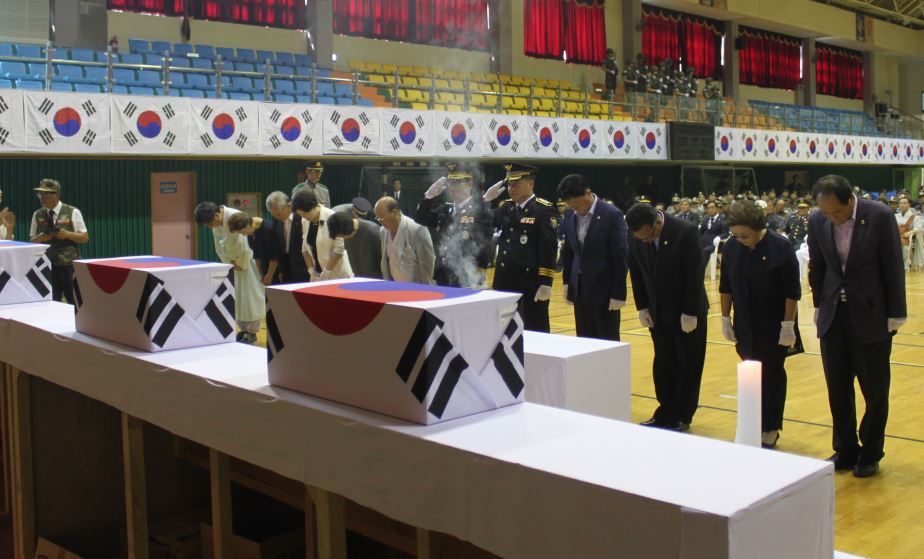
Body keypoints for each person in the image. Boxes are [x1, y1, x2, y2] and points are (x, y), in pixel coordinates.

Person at [808, 175, 906, 478]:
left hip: (871, 313)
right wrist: (819, 304)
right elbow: (817, 266)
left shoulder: (879, 215)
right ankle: (845, 449)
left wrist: (896, 312)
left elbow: (893, 264)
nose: (833, 218)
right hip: (833, 314)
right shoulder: (817, 220)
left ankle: (871, 451)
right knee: (837, 387)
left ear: (850, 199)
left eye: (837, 212)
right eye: (827, 213)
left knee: (874, 390)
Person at [719, 201, 802, 449]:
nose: (740, 240)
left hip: (774, 324)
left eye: (745, 235)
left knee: (772, 375)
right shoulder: (732, 246)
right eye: (736, 235)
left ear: (759, 228)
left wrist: (787, 325)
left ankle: (771, 427)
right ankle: (752, 423)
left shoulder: (780, 246)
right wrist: (725, 318)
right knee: (750, 375)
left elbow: (792, 291)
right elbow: (726, 285)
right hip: (745, 323)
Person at [626, 203, 708, 431]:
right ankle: (665, 411)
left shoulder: (685, 232)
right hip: (657, 312)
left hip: (685, 312)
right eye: (640, 238)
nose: (644, 241)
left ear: (657, 223)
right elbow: (636, 270)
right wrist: (642, 306)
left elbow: (694, 274)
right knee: (663, 364)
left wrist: (690, 311)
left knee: (686, 364)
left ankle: (683, 414)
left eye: (648, 237)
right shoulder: (636, 234)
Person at [483, 163, 558, 332]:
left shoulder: (542, 210)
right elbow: (484, 221)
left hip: (529, 284)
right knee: (505, 331)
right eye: (510, 184)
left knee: (533, 330)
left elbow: (548, 247)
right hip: (504, 281)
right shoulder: (507, 207)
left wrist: (546, 282)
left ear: (530, 183)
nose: (512, 188)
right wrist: (485, 201)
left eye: (516, 184)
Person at [557, 174, 628, 341]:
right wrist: (567, 282)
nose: (575, 209)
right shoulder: (569, 214)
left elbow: (620, 254)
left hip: (605, 290)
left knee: (606, 341)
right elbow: (569, 251)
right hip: (580, 290)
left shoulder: (611, 214)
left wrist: (618, 292)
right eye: (570, 205)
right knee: (584, 339)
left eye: (576, 204)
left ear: (588, 193)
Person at [194, 202, 264, 344]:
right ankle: (243, 329)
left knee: (251, 297)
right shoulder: (216, 223)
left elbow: (245, 243)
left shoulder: (234, 216)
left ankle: (252, 331)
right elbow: (218, 246)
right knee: (238, 298)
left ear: (216, 215)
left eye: (209, 223)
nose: (210, 227)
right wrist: (229, 263)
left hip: (247, 262)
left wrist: (241, 263)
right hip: (233, 264)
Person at [416, 164, 494, 288]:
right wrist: (428, 197)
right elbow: (420, 219)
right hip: (443, 275)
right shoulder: (445, 209)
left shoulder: (479, 211)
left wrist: (478, 271)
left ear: (469, 184)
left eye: (457, 183)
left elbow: (485, 245)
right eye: (450, 183)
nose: (452, 187)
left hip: (468, 275)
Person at [29, 179, 89, 304]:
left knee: (74, 301)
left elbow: (84, 237)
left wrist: (67, 234)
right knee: (51, 302)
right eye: (40, 194)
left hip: (69, 265)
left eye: (45, 194)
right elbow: (32, 240)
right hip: (47, 266)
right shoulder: (37, 214)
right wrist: (40, 238)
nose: (41, 198)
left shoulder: (73, 212)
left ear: (56, 195)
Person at [292, 189, 353, 280]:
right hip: (318, 274)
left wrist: (327, 271)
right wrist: (311, 271)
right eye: (301, 215)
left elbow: (338, 250)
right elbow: (305, 249)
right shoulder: (305, 220)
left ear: (314, 206)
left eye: (305, 213)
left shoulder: (332, 216)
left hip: (338, 274)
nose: (303, 217)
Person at [375, 196, 435, 285]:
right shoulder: (383, 231)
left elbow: (427, 264)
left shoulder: (417, 229)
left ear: (394, 213)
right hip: (395, 287)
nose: (380, 222)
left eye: (382, 218)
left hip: (417, 288)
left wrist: (426, 290)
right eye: (377, 218)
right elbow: (385, 262)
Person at [265, 191, 309, 284]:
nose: (277, 217)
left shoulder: (302, 217)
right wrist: (281, 271)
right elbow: (278, 246)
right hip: (286, 269)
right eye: (274, 215)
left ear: (288, 206)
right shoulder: (276, 220)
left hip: (304, 267)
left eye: (278, 214)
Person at [326, 210, 383, 279]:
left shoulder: (372, 231)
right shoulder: (346, 234)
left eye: (340, 236)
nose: (341, 238)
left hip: (379, 280)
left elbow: (386, 259)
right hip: (360, 280)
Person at [227, 212, 279, 286]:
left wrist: (270, 274)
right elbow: (256, 253)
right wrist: (260, 273)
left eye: (243, 232)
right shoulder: (251, 231)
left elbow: (274, 256)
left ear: (247, 225)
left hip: (275, 270)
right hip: (265, 270)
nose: (243, 235)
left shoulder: (268, 229)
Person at [895, 196, 916, 271]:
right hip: (897, 235)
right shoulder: (895, 216)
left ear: (909, 205)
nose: (902, 205)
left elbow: (918, 228)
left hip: (907, 236)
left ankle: (904, 264)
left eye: (904, 203)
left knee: (902, 241)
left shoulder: (913, 216)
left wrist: (910, 232)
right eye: (900, 203)